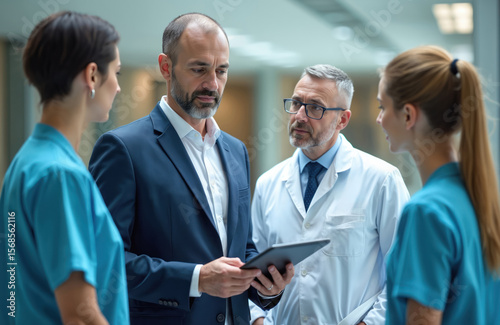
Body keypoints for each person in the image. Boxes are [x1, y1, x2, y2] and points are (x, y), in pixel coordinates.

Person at [89, 13, 293, 325]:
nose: (212, 83)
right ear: (166, 67)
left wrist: (266, 285)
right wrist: (197, 278)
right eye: (199, 69)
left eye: (221, 71)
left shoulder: (236, 151)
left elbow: (241, 247)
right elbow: (105, 261)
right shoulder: (122, 149)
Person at [250, 64, 410, 325]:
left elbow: (404, 272)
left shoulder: (381, 180)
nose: (300, 115)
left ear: (342, 120)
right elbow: (250, 268)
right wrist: (257, 320)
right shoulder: (268, 183)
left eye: (315, 107)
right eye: (296, 103)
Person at [0, 11, 128, 325]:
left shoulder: (26, 163)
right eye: (117, 73)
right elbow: (82, 315)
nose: (119, 87)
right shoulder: (61, 174)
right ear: (93, 75)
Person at [377, 45, 500, 324]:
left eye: (383, 107)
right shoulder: (480, 198)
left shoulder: (426, 212)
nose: (379, 118)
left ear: (408, 115)